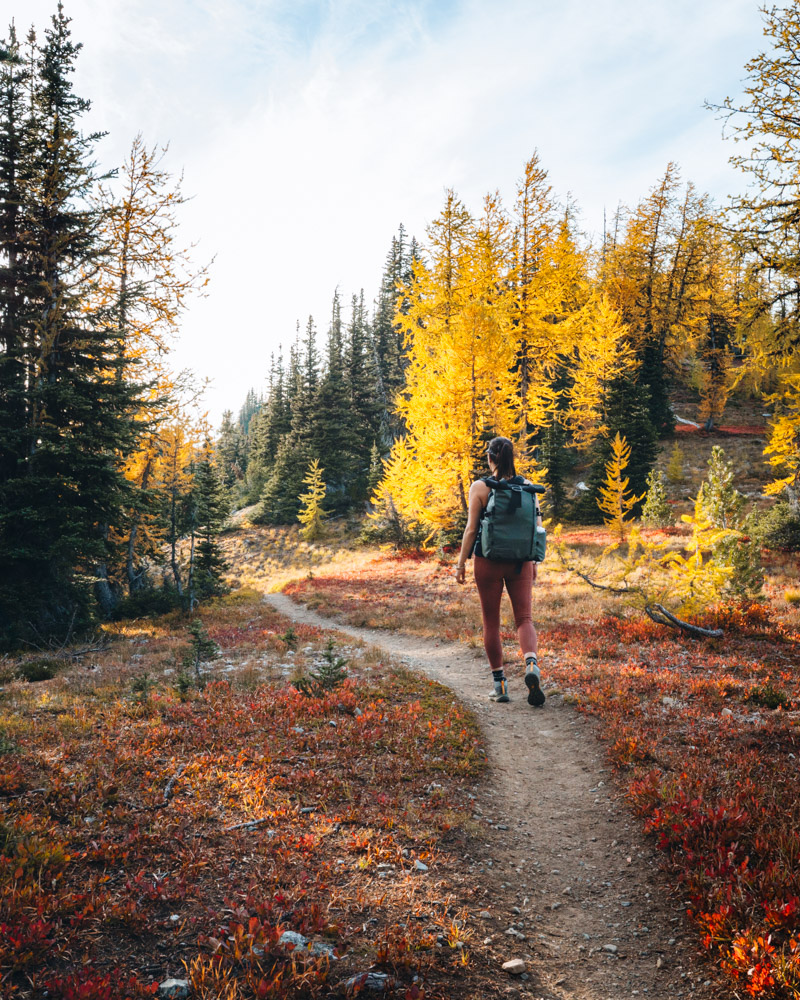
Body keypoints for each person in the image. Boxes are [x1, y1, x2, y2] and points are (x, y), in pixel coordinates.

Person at [454, 437, 544, 706]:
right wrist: (534, 562)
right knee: (524, 619)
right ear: (512, 457)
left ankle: (500, 685)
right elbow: (537, 527)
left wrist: (460, 563)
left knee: (491, 622)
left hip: (488, 561)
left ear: (491, 458)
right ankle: (530, 665)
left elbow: (471, 530)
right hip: (522, 561)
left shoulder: (480, 487)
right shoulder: (528, 487)